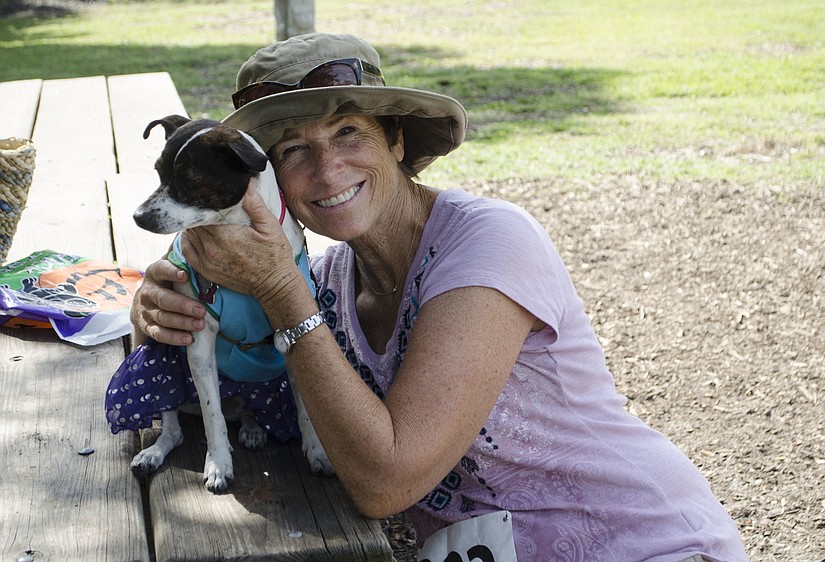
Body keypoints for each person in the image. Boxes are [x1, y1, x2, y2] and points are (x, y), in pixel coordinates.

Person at [131, 33, 749, 561]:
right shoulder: (331, 278)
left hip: (640, 544)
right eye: (294, 149)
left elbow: (385, 481)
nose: (326, 170)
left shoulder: (490, 244)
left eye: (349, 133)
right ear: (266, 175)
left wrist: (279, 288)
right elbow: (250, 353)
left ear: (396, 140)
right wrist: (154, 311)